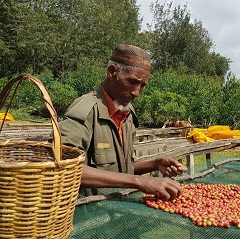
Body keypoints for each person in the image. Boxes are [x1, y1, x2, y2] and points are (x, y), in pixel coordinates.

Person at [56, 44, 187, 201]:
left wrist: (154, 164)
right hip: (89, 213)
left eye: (142, 86)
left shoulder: (126, 112)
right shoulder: (86, 111)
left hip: (117, 206)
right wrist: (139, 181)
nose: (137, 92)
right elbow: (63, 168)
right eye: (132, 82)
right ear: (112, 72)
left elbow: (119, 171)